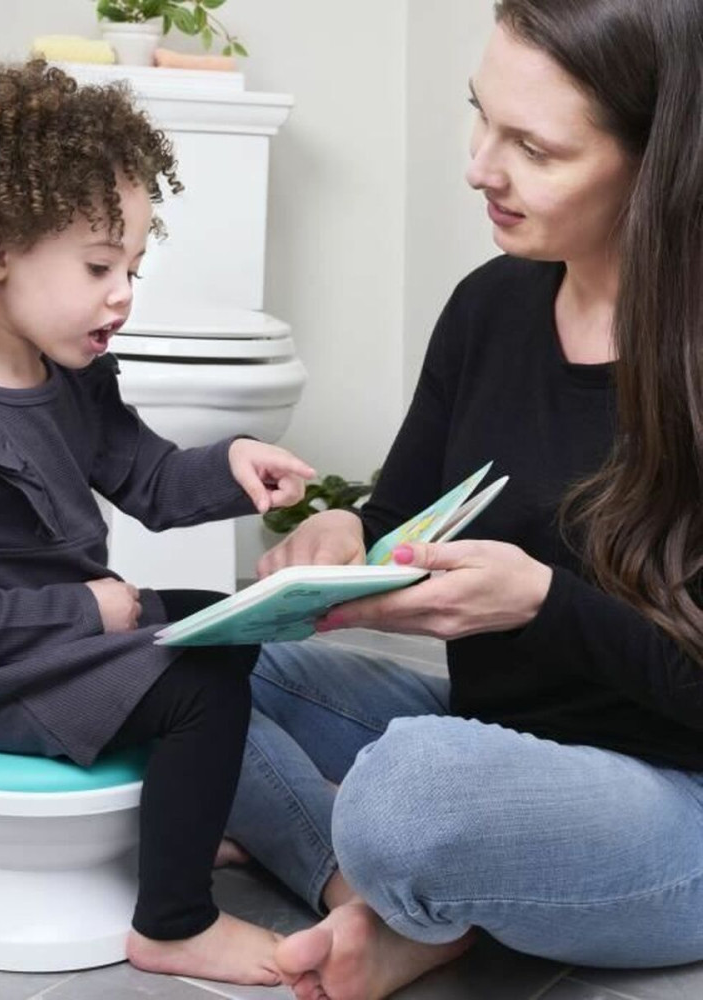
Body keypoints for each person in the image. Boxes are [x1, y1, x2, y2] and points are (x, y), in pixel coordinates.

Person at [222, 1, 703, 997]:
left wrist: (543, 604)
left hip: (672, 799)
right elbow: (402, 514)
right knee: (184, 661)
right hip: (493, 741)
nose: (480, 166)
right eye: (478, 116)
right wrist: (341, 535)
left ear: (656, 161)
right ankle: (366, 895)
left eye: (532, 146)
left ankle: (401, 873)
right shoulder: (491, 305)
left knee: (409, 792)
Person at [0, 59, 316, 986]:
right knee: (203, 686)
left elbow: (149, 479)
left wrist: (232, 466)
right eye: (101, 265)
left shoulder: (70, 388)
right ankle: (175, 923)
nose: (124, 293)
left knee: (217, 619)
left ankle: (189, 815)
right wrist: (88, 613)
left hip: (52, 645)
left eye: (132, 268)